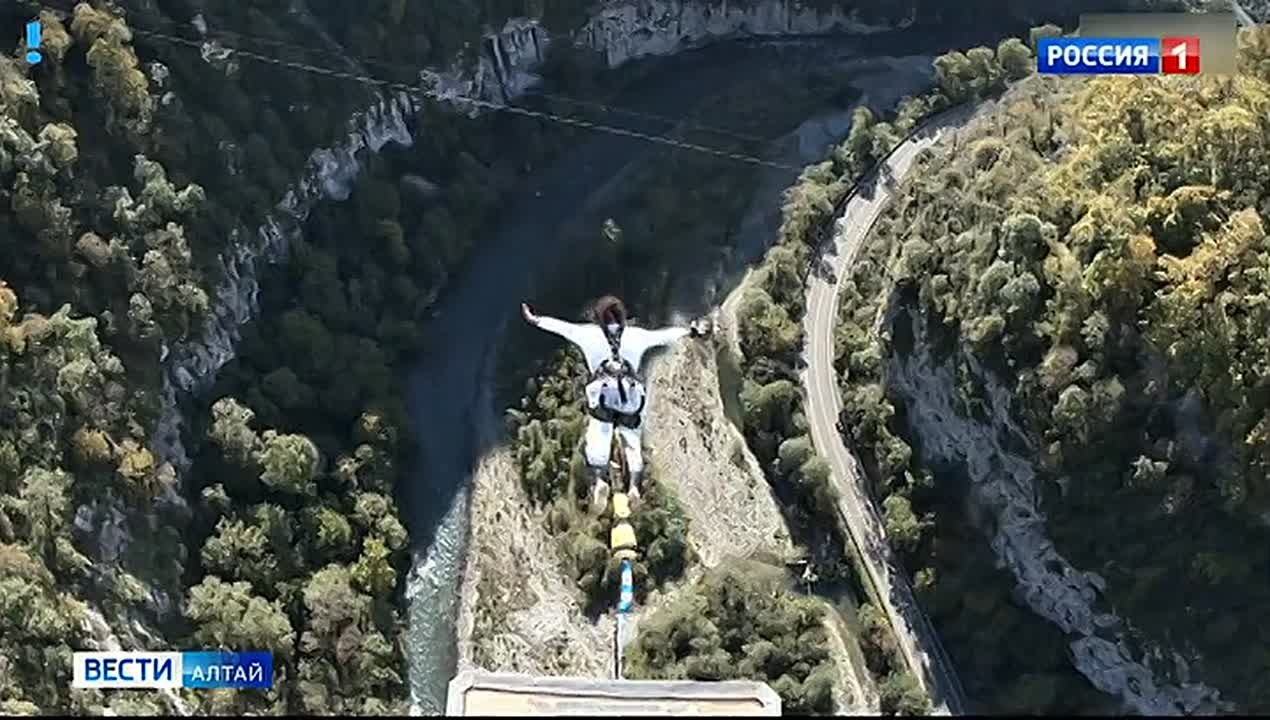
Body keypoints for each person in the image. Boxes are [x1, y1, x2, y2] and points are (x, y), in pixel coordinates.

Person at [522, 296, 703, 511]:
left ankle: (600, 480)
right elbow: (665, 336)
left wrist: (536, 320)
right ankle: (634, 487)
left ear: (598, 317)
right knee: (633, 441)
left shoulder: (587, 333)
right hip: (631, 400)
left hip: (602, 398)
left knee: (597, 439)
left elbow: (563, 328)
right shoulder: (638, 335)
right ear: (623, 317)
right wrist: (691, 331)